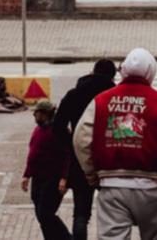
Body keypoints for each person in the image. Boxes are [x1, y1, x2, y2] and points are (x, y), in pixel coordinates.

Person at [73, 48, 157, 240]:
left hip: (112, 184)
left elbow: (81, 139)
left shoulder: (101, 101)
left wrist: (92, 175)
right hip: (151, 186)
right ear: (151, 72)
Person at [53, 59, 117, 240]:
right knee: (114, 215)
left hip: (80, 159)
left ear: (92, 72)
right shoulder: (114, 96)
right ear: (113, 76)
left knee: (81, 214)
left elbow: (57, 127)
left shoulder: (74, 94)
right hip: (109, 160)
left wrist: (73, 142)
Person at [22, 100, 72, 240]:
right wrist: (26, 175)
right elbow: (32, 153)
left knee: (45, 214)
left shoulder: (59, 131)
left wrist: (64, 178)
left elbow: (68, 155)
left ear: (46, 114)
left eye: (37, 114)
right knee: (41, 215)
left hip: (52, 179)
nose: (35, 117)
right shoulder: (38, 130)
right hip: (37, 178)